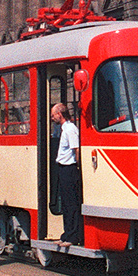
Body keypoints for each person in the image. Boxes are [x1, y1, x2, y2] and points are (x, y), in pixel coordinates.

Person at [51, 102, 82, 247]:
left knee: (71, 204)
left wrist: (77, 166)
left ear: (59, 114)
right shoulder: (65, 129)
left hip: (69, 169)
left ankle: (72, 236)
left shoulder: (70, 129)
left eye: (53, 115)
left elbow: (76, 149)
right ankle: (66, 234)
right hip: (63, 168)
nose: (52, 118)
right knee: (65, 203)